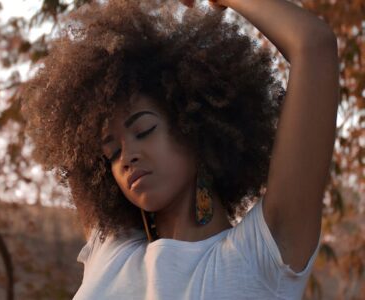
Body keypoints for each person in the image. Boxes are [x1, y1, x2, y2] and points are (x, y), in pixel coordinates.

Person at [19, 0, 339, 299]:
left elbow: (314, 46)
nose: (127, 157)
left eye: (143, 131)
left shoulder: (260, 255)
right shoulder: (110, 249)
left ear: (194, 124)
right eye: (112, 152)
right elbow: (69, 108)